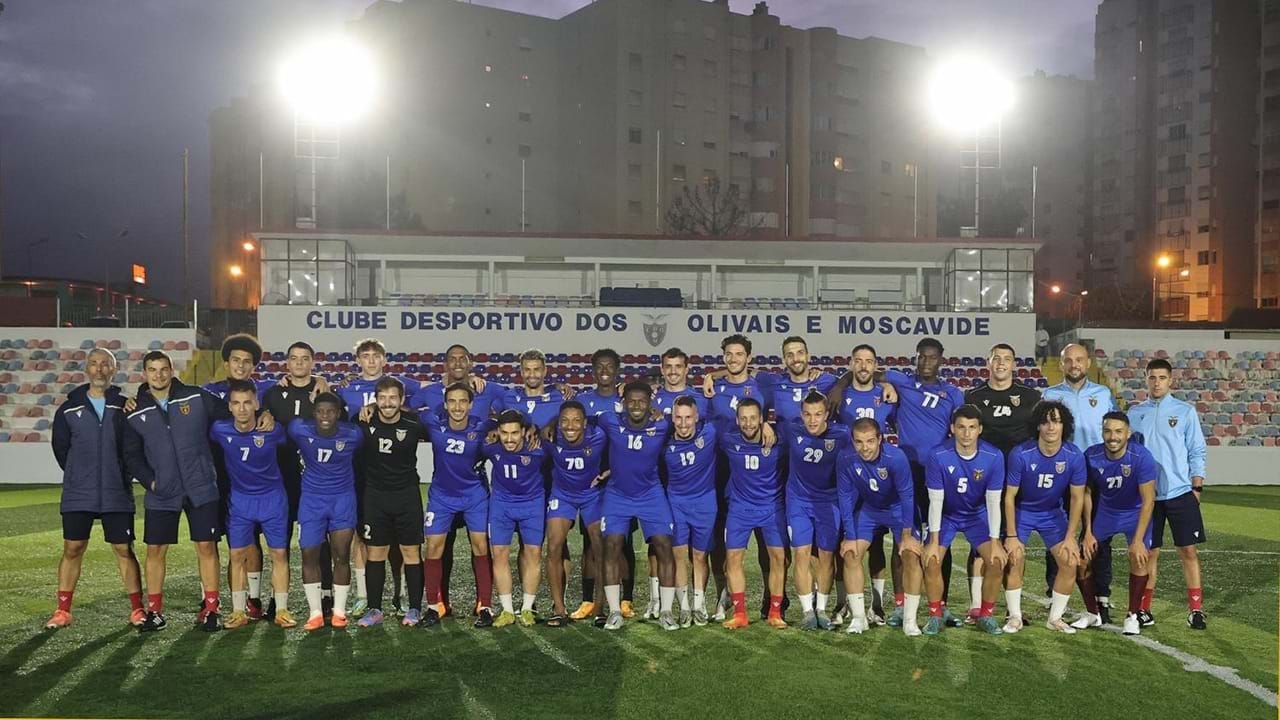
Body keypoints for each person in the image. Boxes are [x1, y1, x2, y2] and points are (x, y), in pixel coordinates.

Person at [832, 338, 967, 623]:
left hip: (937, 475)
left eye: (932, 358)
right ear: (915, 358)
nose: (927, 362)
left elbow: (959, 431)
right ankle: (899, 603)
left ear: (942, 359)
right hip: (904, 472)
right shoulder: (901, 381)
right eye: (922, 357)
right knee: (901, 541)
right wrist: (838, 387)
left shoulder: (953, 394)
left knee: (936, 540)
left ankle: (939, 604)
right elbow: (862, 371)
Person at [124, 351, 236, 633]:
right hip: (162, 492)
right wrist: (151, 482)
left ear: (172, 370)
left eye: (164, 369)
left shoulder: (196, 397)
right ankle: (155, 612)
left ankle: (211, 608)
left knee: (206, 547)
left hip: (201, 486)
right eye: (153, 370)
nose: (159, 375)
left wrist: (264, 415)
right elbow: (132, 455)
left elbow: (231, 414)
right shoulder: (135, 411)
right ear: (145, 373)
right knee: (155, 550)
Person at [47, 348, 144, 629]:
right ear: (86, 369)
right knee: (73, 547)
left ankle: (137, 609)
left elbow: (134, 448)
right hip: (80, 491)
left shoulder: (126, 406)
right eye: (94, 364)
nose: (100, 369)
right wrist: (80, 474)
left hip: (116, 491)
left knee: (124, 549)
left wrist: (120, 475)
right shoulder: (69, 408)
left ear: (114, 370)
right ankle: (63, 611)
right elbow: (61, 450)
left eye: (106, 365)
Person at [335, 338, 420, 618]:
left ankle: (403, 596)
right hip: (362, 475)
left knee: (404, 546)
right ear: (358, 359)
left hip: (401, 485)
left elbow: (436, 395)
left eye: (376, 356)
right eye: (365, 356)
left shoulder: (402, 386)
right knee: (367, 540)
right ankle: (365, 598)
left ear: (384, 359)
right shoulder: (347, 388)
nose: (370, 360)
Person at [203, 333, 281, 621]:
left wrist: (270, 411)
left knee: (252, 542)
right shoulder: (208, 392)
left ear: (253, 367)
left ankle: (254, 599)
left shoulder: (265, 392)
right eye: (235, 360)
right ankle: (209, 600)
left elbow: (295, 396)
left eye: (247, 362)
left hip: (254, 481)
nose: (241, 366)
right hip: (217, 477)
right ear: (226, 363)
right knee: (218, 542)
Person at [1127, 359, 1208, 631]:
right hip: (1147, 497)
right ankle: (1144, 609)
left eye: (1162, 377)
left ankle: (1196, 610)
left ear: (1170, 380)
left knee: (1188, 550)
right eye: (1152, 377)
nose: (1157, 382)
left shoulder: (1185, 411)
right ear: (1146, 379)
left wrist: (1196, 487)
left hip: (1180, 492)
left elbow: (1197, 450)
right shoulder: (1135, 414)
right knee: (1149, 554)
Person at [965, 343, 1042, 624]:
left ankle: (1013, 609)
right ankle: (976, 607)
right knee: (980, 545)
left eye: (1006, 359)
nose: (1001, 363)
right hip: (983, 480)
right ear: (989, 363)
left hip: (1019, 482)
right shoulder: (974, 395)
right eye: (996, 358)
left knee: (1014, 544)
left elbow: (1038, 434)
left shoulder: (1030, 396)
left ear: (1014, 365)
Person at [1043, 342, 1119, 620]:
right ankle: (1054, 593)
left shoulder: (1103, 394)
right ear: (1061, 364)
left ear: (1088, 363)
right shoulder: (1050, 395)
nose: (1074, 365)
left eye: (1079, 360)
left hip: (1098, 476)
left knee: (1100, 537)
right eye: (1068, 360)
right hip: (1061, 475)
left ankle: (1102, 597)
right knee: (1057, 534)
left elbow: (1114, 433)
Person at [209, 380, 293, 629]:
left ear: (257, 403)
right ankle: (238, 611)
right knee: (236, 555)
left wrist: (270, 415)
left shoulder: (274, 430)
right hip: (241, 501)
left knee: (278, 553)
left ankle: (282, 610)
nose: (242, 408)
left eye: (248, 402)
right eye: (236, 403)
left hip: (273, 499)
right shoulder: (219, 429)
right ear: (230, 406)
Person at [596, 381, 679, 631]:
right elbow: (578, 417)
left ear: (650, 404)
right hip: (617, 494)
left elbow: (693, 422)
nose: (636, 405)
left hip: (651, 493)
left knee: (664, 545)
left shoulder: (662, 424)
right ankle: (613, 611)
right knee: (612, 546)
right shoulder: (610, 420)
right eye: (631, 400)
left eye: (642, 401)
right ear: (623, 403)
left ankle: (666, 611)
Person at [1001, 400, 1087, 634]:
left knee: (1070, 560)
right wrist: (1010, 535)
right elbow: (1009, 497)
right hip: (1023, 511)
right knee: (1015, 556)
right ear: (1037, 426)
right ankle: (1015, 617)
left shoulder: (1074, 455)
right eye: (1046, 422)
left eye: (1057, 422)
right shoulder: (1021, 454)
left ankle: (1055, 618)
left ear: (1064, 426)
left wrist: (1071, 537)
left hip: (1052, 513)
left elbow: (1078, 499)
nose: (1051, 427)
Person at [921, 405, 1007, 636]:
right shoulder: (938, 455)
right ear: (952, 429)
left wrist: (995, 541)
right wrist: (934, 541)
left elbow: (993, 502)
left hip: (976, 515)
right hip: (947, 514)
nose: (966, 433)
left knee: (997, 560)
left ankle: (986, 615)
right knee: (931, 560)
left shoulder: (994, 456)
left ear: (980, 429)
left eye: (971, 427)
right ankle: (935, 615)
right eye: (961, 427)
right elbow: (935, 501)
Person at [420, 383, 497, 628]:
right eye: (452, 401)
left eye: (462, 401)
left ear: (471, 404)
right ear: (445, 403)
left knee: (480, 545)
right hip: (442, 496)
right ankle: (434, 606)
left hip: (474, 495)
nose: (457, 406)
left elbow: (508, 423)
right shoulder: (432, 422)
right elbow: (403, 411)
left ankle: (484, 605)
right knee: (433, 548)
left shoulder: (482, 426)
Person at [836, 418, 923, 636]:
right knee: (850, 554)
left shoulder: (896, 457)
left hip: (898, 510)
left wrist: (906, 535)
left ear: (880, 439)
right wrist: (849, 535)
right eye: (859, 442)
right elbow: (845, 498)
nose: (864, 447)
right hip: (869, 510)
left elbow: (907, 495)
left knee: (911, 554)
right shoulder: (846, 458)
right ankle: (858, 618)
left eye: (870, 441)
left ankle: (910, 620)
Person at [353, 377, 428, 628]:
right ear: (376, 399)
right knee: (376, 553)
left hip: (406, 495)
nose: (387, 403)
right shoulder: (363, 421)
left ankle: (415, 608)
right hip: (375, 496)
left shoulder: (414, 423)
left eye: (392, 397)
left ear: (401, 400)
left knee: (411, 553)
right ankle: (375, 609)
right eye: (382, 397)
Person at [287, 393, 364, 630]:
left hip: (342, 500)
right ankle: (315, 613)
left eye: (330, 411)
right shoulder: (299, 429)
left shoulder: (353, 434)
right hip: (311, 501)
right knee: (309, 554)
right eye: (320, 411)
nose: (325, 416)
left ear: (338, 413)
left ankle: (339, 612)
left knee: (341, 555)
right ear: (314, 413)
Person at [260, 341, 326, 619]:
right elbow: (261, 415)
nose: (299, 363)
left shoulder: (324, 391)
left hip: (316, 478)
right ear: (287, 363)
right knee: (281, 540)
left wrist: (326, 384)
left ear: (313, 362)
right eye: (294, 359)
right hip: (282, 477)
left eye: (305, 358)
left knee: (318, 541)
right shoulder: (274, 394)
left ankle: (324, 597)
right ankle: (279, 599)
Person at [832, 343, 896, 626]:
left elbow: (898, 428)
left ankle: (878, 604)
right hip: (845, 477)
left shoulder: (887, 395)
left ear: (875, 365)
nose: (863, 366)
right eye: (858, 360)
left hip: (876, 480)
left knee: (877, 543)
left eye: (868, 361)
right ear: (851, 364)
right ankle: (842, 601)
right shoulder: (838, 395)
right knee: (842, 540)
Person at [1079, 412, 1158, 635]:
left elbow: (1148, 501)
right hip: (1106, 512)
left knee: (1139, 557)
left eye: (1118, 431)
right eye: (1108, 431)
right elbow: (1086, 493)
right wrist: (1088, 531)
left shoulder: (1141, 456)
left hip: (1135, 513)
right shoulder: (1091, 455)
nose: (1112, 437)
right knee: (1081, 561)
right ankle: (1093, 613)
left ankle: (1132, 615)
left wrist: (1138, 540)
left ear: (1127, 434)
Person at [780, 391, 850, 630]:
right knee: (801, 553)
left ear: (827, 415)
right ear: (801, 414)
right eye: (808, 414)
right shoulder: (791, 429)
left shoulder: (842, 435)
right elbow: (762, 429)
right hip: (798, 500)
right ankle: (808, 611)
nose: (812, 420)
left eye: (818, 414)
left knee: (826, 556)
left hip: (829, 502)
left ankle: (821, 608)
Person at [718, 398, 788, 630]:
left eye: (753, 418)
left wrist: (772, 428)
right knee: (733, 560)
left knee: (779, 559)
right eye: (743, 418)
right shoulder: (728, 439)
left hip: (772, 507)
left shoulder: (779, 441)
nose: (748, 423)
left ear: (761, 419)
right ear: (737, 420)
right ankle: (740, 614)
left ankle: (775, 612)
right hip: (740, 508)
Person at [482, 410, 549, 628]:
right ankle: (507, 610)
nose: (509, 439)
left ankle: (528, 609)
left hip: (532, 505)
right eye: (504, 433)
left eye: (514, 433)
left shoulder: (538, 450)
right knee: (499, 554)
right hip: (501, 505)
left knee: (534, 553)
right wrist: (490, 430)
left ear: (523, 432)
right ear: (498, 432)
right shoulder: (491, 447)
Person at [544, 401, 608, 627]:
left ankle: (600, 607)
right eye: (564, 421)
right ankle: (559, 609)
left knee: (600, 546)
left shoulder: (599, 436)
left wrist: (610, 469)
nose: (570, 426)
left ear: (585, 423)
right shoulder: (550, 438)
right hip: (562, 495)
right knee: (553, 546)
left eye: (576, 421)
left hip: (592, 495)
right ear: (558, 423)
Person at [661, 395, 719, 627]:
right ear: (672, 418)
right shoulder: (663, 441)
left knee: (699, 556)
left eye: (688, 417)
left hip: (705, 503)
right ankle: (684, 607)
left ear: (697, 417)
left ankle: (699, 604)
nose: (684, 424)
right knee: (679, 557)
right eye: (678, 418)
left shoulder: (710, 433)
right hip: (676, 503)